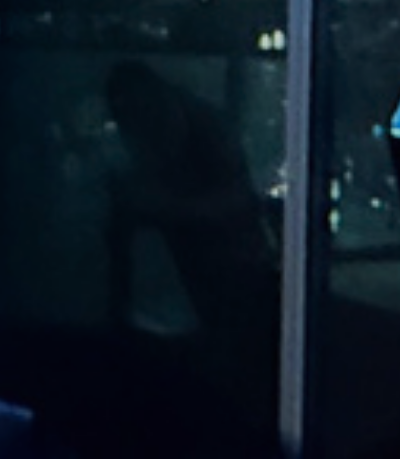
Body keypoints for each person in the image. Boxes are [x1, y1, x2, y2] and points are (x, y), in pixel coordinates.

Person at [103, 60, 279, 415]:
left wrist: (167, 209)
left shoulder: (205, 132)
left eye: (138, 115)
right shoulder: (160, 140)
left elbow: (238, 203)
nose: (133, 130)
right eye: (125, 119)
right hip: (185, 300)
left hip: (232, 286)